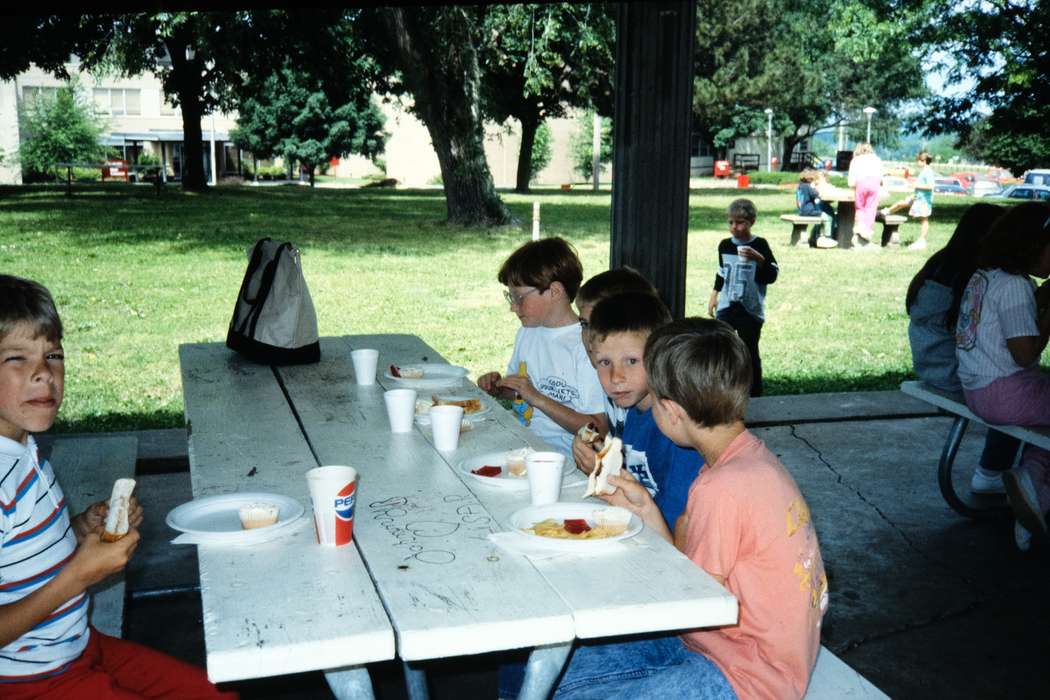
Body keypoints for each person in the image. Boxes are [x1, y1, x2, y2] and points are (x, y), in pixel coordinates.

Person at [548, 318, 826, 700]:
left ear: (671, 411)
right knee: (558, 671)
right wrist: (646, 509)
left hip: (746, 677)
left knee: (568, 689)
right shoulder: (742, 460)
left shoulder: (723, 487)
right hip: (718, 647)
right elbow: (697, 574)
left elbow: (689, 599)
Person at [0, 275, 235, 699]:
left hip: (79, 648)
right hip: (28, 684)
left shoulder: (22, 446)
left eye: (53, 354)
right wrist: (76, 577)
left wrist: (80, 529)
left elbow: (16, 552)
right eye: (16, 358)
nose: (43, 374)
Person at [906, 203, 1021, 500]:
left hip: (932, 368)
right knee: (1015, 395)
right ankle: (993, 471)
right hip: (956, 375)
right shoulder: (979, 277)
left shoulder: (941, 264)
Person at [954, 203, 1050, 550]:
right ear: (1033, 246)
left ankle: (1032, 498)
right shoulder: (1015, 286)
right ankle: (1034, 483)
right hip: (1007, 392)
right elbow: (1025, 354)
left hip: (978, 388)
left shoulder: (986, 275)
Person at [570, 291, 704, 529]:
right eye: (604, 362)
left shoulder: (678, 431)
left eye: (631, 361)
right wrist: (601, 458)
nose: (616, 377)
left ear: (659, 357)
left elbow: (674, 529)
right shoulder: (634, 413)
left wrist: (603, 473)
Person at [478, 237, 606, 457]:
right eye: (510, 296)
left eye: (519, 297)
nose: (512, 306)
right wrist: (500, 388)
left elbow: (597, 433)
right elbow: (521, 394)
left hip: (565, 459)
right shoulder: (528, 332)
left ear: (555, 291)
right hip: (523, 445)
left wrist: (537, 398)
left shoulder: (586, 346)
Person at [575, 267, 659, 438]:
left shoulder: (661, 413)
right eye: (585, 325)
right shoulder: (612, 379)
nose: (591, 340)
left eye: (602, 327)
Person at [707, 198, 779, 397]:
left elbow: (772, 275)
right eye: (730, 222)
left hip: (750, 308)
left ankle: (754, 392)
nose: (734, 227)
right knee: (722, 348)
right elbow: (721, 272)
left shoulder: (760, 244)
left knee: (749, 351)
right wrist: (714, 295)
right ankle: (723, 389)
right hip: (727, 306)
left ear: (751, 222)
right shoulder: (724, 246)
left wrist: (759, 259)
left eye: (740, 222)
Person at [882, 151, 936, 250]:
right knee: (902, 203)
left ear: (923, 161)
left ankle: (921, 240)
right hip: (918, 197)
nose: (917, 163)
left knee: (924, 219)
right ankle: (886, 211)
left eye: (918, 160)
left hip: (924, 200)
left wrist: (916, 185)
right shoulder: (924, 170)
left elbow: (930, 186)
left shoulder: (928, 171)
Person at [847, 142, 883, 247]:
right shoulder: (877, 159)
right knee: (871, 208)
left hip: (861, 184)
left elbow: (851, 181)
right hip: (875, 184)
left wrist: (854, 187)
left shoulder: (856, 160)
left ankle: (859, 227)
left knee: (860, 207)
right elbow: (881, 177)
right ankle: (867, 231)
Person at [795, 169, 836, 248]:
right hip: (808, 211)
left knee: (824, 213)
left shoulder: (800, 186)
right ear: (810, 179)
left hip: (802, 211)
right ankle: (826, 237)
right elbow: (815, 194)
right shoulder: (808, 187)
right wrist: (813, 187)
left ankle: (817, 236)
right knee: (827, 217)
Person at [813, 169, 840, 241]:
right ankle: (826, 236)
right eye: (822, 178)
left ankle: (831, 233)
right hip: (817, 207)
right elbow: (821, 192)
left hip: (823, 205)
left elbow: (833, 189)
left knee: (832, 213)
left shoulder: (824, 185)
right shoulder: (816, 186)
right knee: (829, 216)